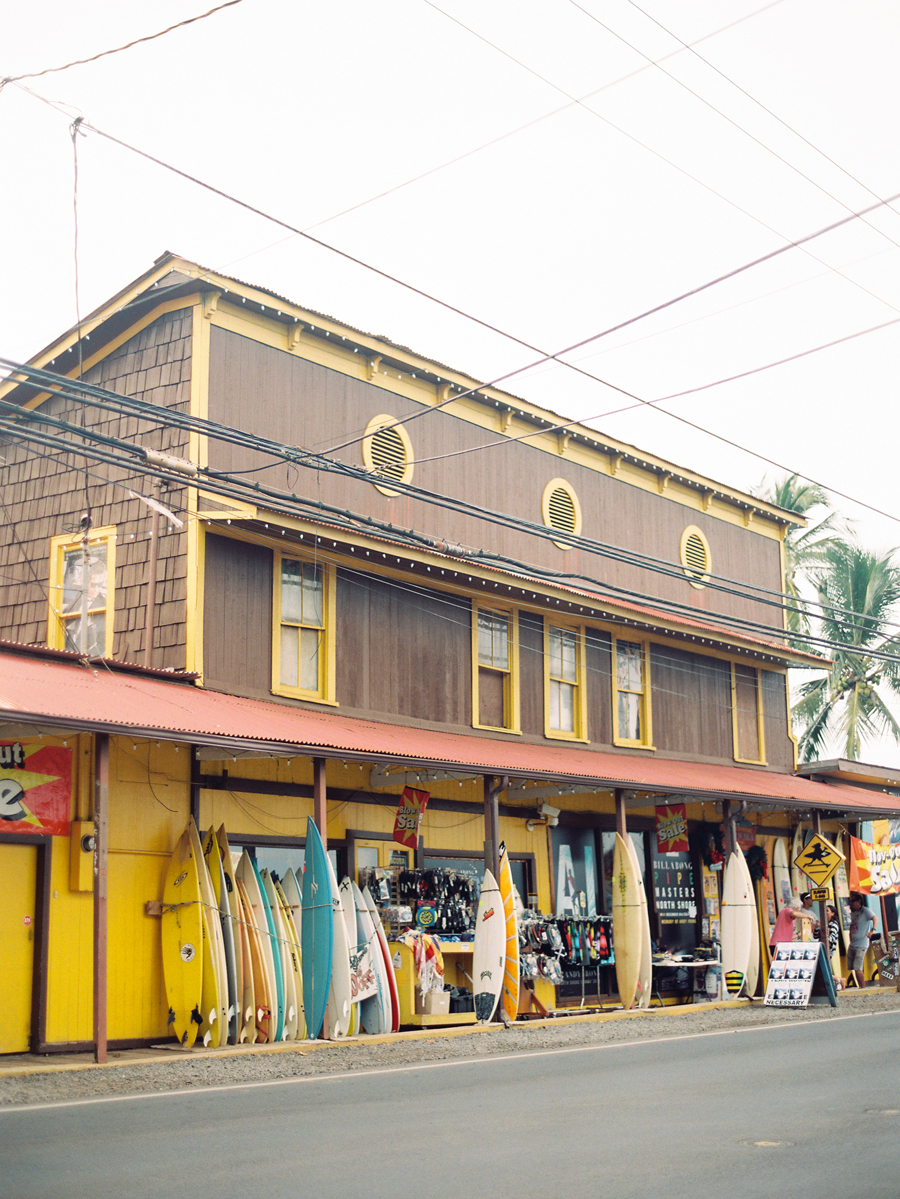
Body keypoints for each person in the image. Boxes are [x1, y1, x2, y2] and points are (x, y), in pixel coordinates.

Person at [845, 891, 877, 989]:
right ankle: (859, 986)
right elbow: (852, 925)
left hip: (862, 944)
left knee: (858, 968)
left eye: (853, 900)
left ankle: (863, 988)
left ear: (859, 901)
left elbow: (875, 918)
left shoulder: (865, 911)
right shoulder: (854, 913)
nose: (851, 903)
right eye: (850, 901)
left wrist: (873, 930)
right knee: (853, 968)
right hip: (853, 943)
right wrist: (850, 936)